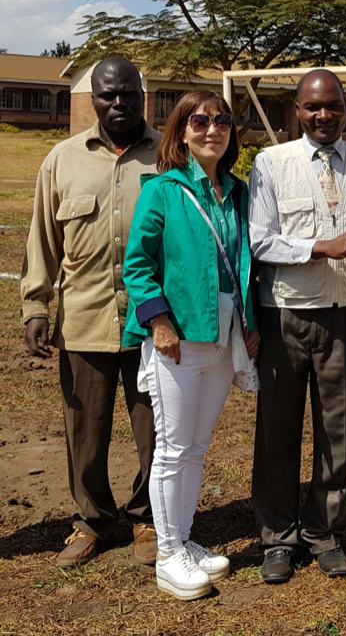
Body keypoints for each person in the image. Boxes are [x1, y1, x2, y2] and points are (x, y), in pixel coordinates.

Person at [21, 57, 160, 567]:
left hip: (153, 324)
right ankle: (93, 520)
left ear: (142, 96)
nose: (118, 102)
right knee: (85, 429)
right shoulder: (62, 160)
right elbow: (43, 239)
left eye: (128, 93)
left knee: (155, 428)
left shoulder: (169, 156)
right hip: (84, 319)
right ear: (94, 99)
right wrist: (36, 305)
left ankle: (149, 518)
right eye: (107, 95)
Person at [122, 90, 259, 600]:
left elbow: (247, 264)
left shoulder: (240, 191)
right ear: (180, 132)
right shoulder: (163, 190)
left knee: (197, 447)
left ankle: (183, 538)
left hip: (225, 336)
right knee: (173, 447)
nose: (212, 129)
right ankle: (168, 553)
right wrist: (158, 322)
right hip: (178, 335)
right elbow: (137, 264)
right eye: (199, 121)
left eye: (222, 121)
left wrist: (250, 321)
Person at [249, 69, 346, 582]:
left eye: (334, 107)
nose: (324, 116)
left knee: (338, 433)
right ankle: (278, 538)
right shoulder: (272, 163)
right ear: (296, 112)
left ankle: (322, 532)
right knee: (277, 431)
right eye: (312, 107)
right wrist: (321, 248)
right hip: (285, 314)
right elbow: (260, 240)